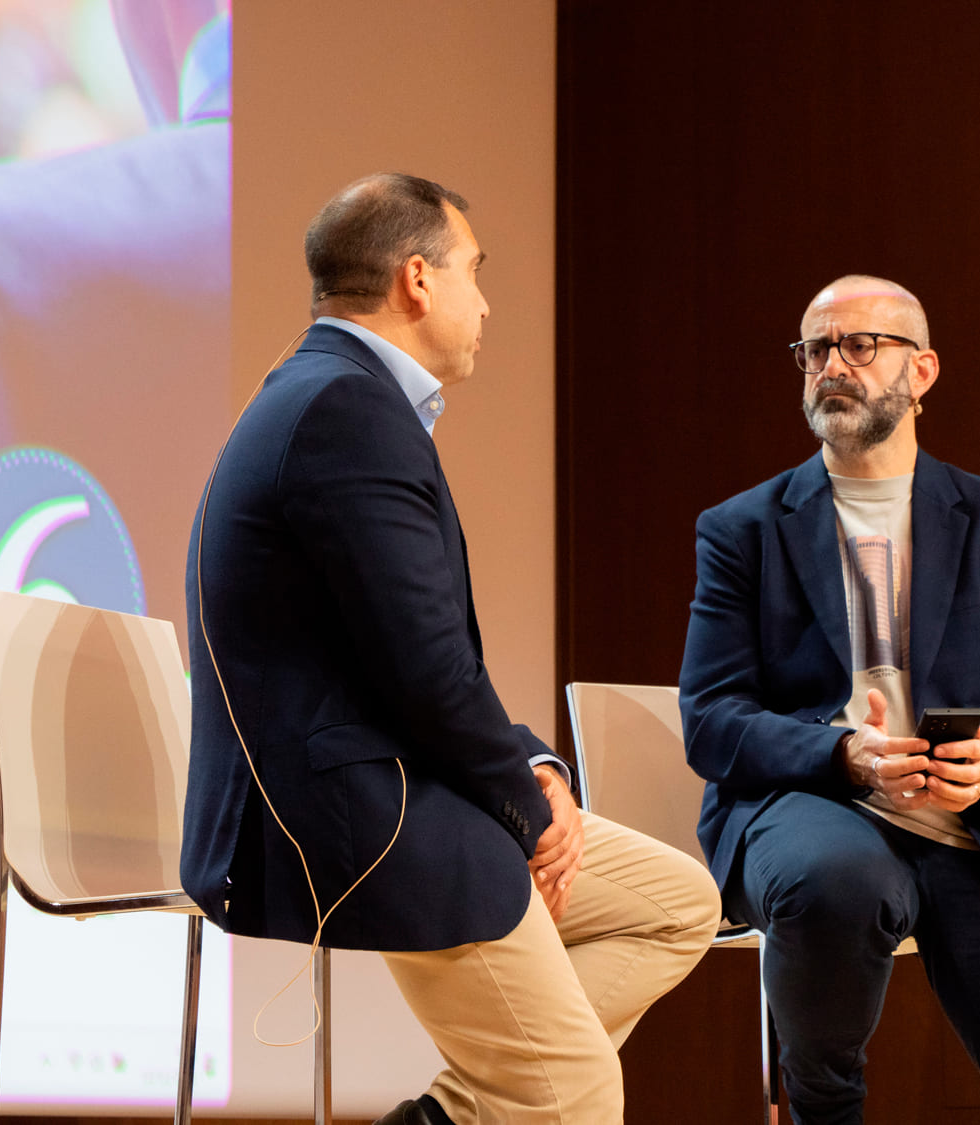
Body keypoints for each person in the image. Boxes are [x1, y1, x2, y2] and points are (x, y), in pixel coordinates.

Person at [181, 173, 720, 1125]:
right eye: (476, 270)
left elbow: (407, 660)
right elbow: (424, 669)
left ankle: (451, 1114)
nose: (486, 301)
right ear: (418, 280)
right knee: (577, 1093)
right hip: (356, 812)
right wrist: (526, 802)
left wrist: (535, 769)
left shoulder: (332, 395)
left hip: (397, 779)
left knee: (677, 903)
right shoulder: (347, 412)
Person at [678, 275, 980, 1124]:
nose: (831, 366)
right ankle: (820, 1104)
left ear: (922, 372)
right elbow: (710, 719)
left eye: (858, 345)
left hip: (970, 829)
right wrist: (842, 755)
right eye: (815, 349)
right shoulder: (742, 529)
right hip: (811, 806)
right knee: (840, 876)